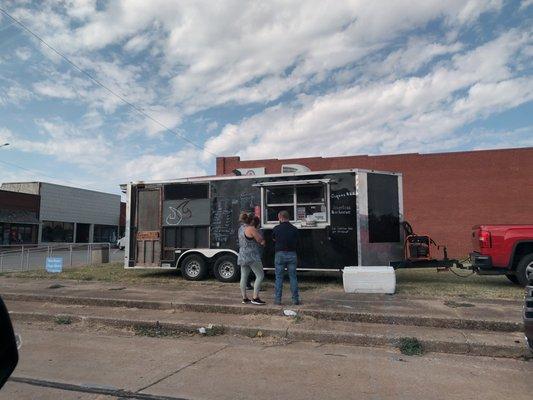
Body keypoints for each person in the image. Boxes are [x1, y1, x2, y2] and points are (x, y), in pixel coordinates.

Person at [272, 210, 300, 305]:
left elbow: (274, 239)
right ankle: (295, 300)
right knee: (293, 277)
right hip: (292, 254)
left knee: (279, 278)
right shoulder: (294, 229)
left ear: (280, 217)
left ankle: (278, 300)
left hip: (279, 254)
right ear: (288, 218)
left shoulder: (276, 228)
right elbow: (297, 241)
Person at [237, 213, 266, 305]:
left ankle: (244, 298)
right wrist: (263, 241)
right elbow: (260, 240)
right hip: (252, 256)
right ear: (252, 221)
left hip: (242, 255)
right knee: (260, 275)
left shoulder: (241, 228)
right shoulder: (252, 229)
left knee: (244, 276)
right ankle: (255, 297)